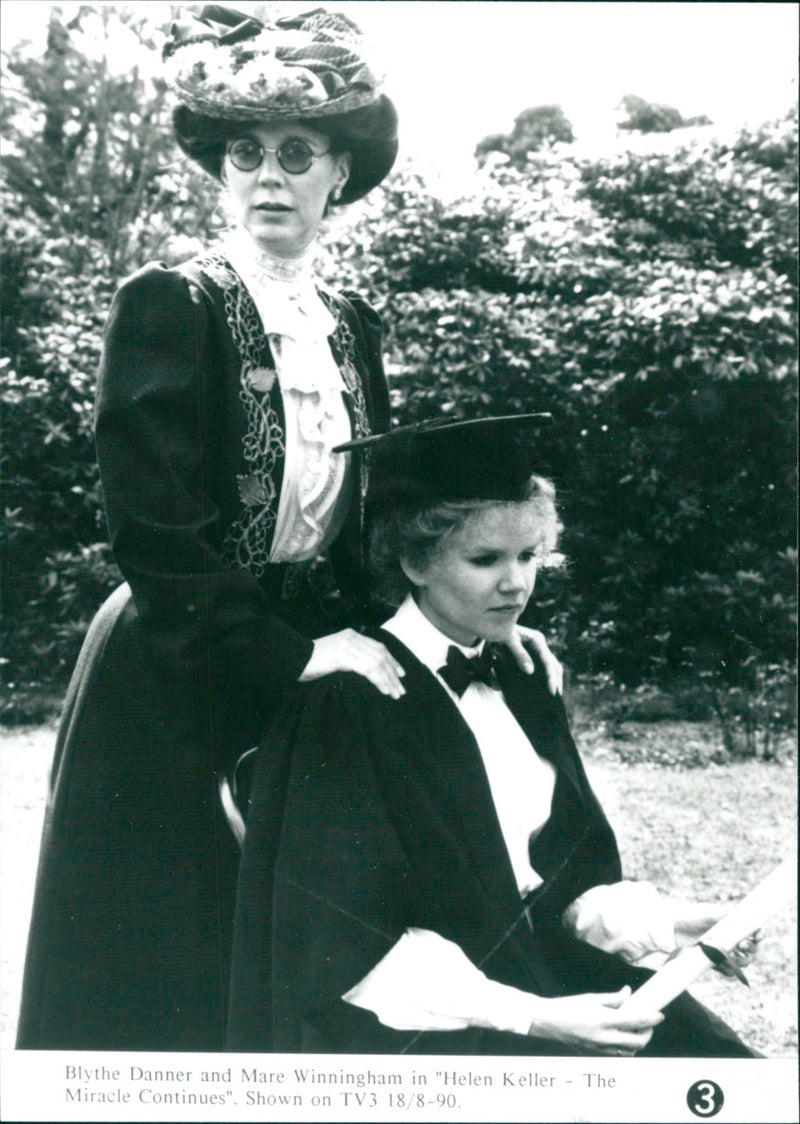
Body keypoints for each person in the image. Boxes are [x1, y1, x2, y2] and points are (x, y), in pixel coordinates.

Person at [16, 8, 560, 1053]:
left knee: (313, 923)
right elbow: (155, 520)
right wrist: (285, 652)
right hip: (183, 651)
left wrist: (461, 623)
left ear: (337, 176)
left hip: (328, 640)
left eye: (297, 155)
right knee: (167, 923)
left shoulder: (349, 320)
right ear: (220, 174)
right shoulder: (170, 300)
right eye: (245, 155)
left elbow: (377, 521)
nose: (269, 176)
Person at [227, 414, 760, 1056]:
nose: (516, 583)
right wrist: (536, 1017)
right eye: (485, 559)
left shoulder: (524, 671)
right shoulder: (353, 698)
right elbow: (345, 943)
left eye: (529, 555)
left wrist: (677, 924)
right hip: (438, 1022)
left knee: (732, 1079)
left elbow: (556, 886)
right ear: (415, 561)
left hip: (552, 980)